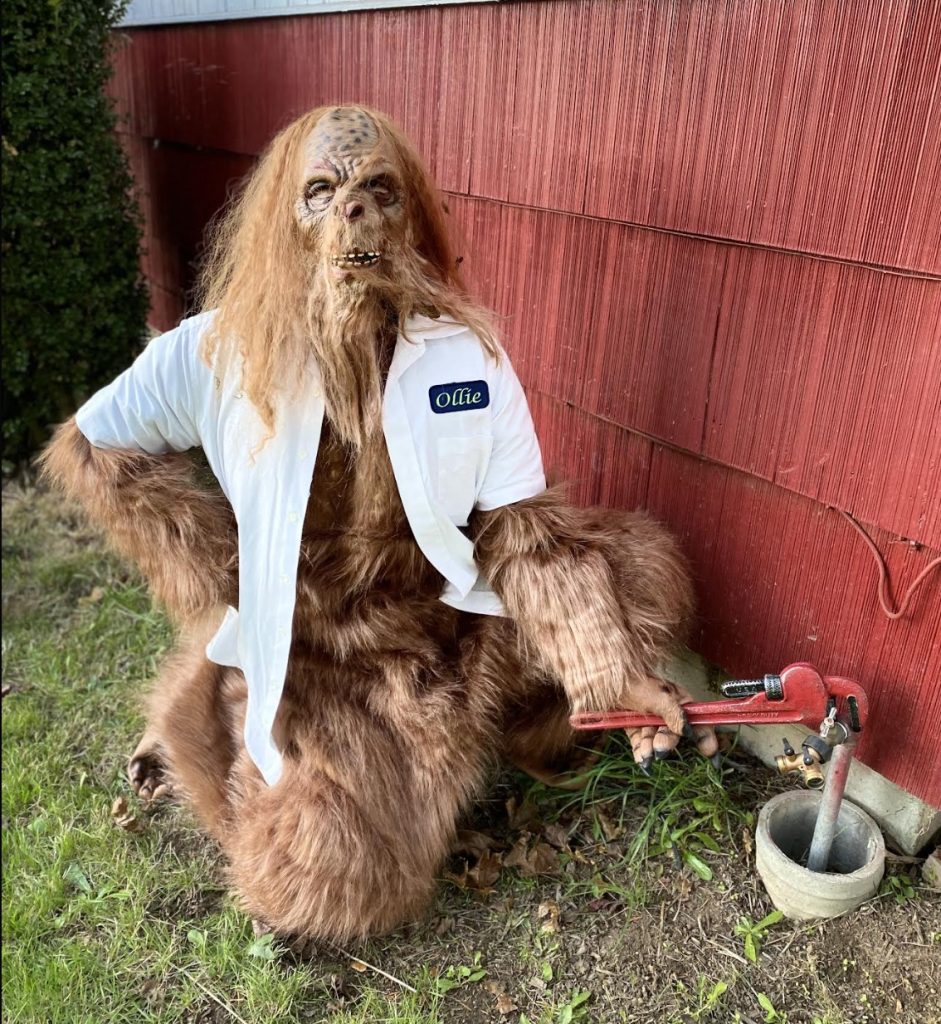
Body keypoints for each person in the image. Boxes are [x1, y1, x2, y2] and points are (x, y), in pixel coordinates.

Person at [41, 104, 717, 941]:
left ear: (412, 219)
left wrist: (604, 668)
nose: (351, 211)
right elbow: (94, 444)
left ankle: (520, 732)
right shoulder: (216, 353)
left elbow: (519, 528)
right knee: (323, 877)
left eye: (377, 191)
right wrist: (223, 574)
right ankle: (220, 711)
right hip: (319, 653)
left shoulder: (465, 356)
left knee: (642, 580)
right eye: (320, 192)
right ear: (282, 223)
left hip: (445, 617)